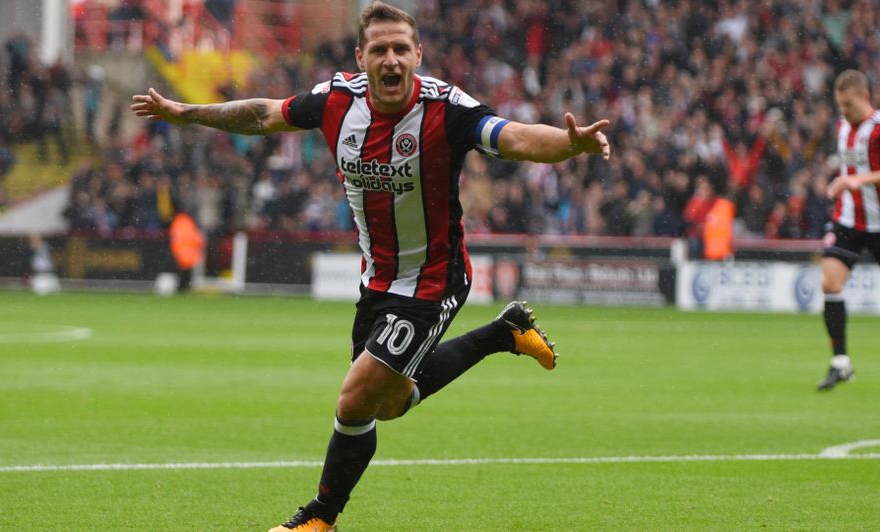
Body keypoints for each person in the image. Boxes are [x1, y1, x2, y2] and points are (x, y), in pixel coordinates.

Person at [132, 3, 610, 530]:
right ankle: (503, 332)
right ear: (361, 58)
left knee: (356, 398)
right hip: (377, 280)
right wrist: (187, 112)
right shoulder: (337, 100)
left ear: (418, 55)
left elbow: (513, 137)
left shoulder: (446, 108)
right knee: (390, 404)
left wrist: (568, 144)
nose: (391, 59)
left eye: (401, 48)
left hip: (433, 280)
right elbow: (264, 115)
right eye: (379, 49)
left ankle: (320, 517)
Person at [819, 69, 880, 391]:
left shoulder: (878, 128)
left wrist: (859, 180)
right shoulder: (842, 126)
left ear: (865, 97)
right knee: (830, 282)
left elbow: (861, 173)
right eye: (840, 105)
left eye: (849, 105)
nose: (844, 111)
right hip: (848, 220)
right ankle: (841, 363)